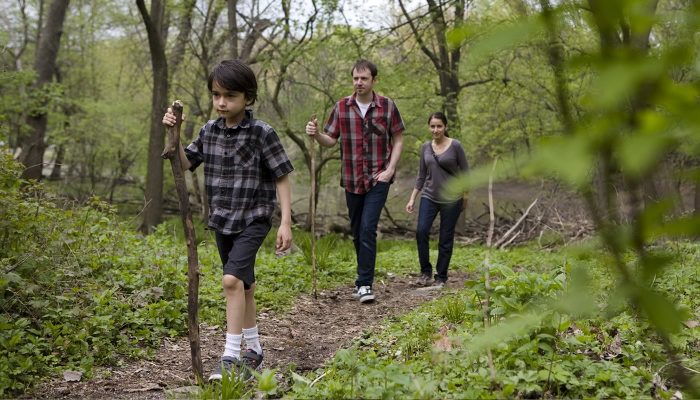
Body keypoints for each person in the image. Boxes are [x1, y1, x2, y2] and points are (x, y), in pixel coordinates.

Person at [162, 59, 293, 381]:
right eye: (216, 95)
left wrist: (285, 222)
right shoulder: (209, 130)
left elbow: (281, 177)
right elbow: (184, 163)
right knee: (244, 285)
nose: (222, 102)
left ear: (247, 98)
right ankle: (254, 349)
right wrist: (174, 134)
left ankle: (231, 356)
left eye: (230, 96)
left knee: (231, 281)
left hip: (254, 218)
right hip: (222, 219)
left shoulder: (262, 133)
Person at [305, 59, 405, 304]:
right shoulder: (341, 107)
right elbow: (330, 140)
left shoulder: (387, 106)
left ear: (374, 81)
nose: (359, 83)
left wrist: (391, 169)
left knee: (368, 229)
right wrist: (316, 134)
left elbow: (399, 138)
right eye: (356, 79)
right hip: (351, 179)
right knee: (358, 232)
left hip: (378, 177)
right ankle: (363, 277)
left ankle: (364, 283)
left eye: (364, 79)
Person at [405, 112, 468, 288]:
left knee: (445, 237)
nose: (436, 129)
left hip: (452, 198)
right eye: (432, 126)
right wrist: (412, 199)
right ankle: (425, 272)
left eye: (439, 126)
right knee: (421, 231)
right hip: (429, 196)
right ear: (429, 127)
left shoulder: (456, 146)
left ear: (445, 127)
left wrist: (465, 198)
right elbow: (421, 176)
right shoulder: (426, 147)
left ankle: (441, 276)